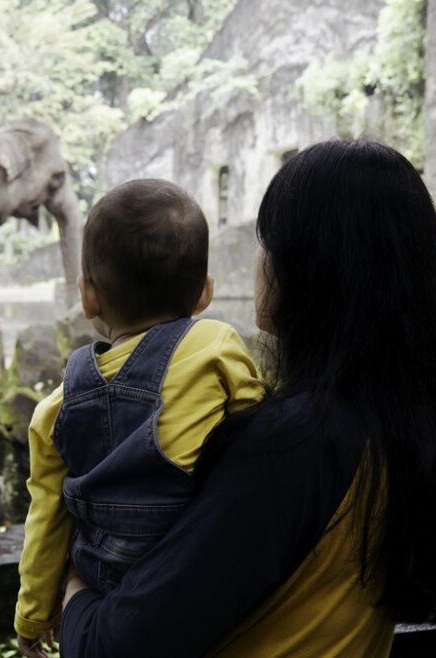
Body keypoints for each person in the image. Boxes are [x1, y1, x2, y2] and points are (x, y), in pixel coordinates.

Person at [58, 140, 436, 657]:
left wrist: (73, 586)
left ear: (308, 266)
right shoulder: (407, 426)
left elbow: (111, 647)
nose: (259, 259)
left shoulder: (293, 445)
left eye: (268, 242)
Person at [14, 179, 267, 657]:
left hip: (102, 584)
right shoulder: (217, 348)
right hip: (194, 563)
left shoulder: (55, 407)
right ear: (205, 293)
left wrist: (32, 614)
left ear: (88, 297)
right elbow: (256, 432)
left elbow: (46, 517)